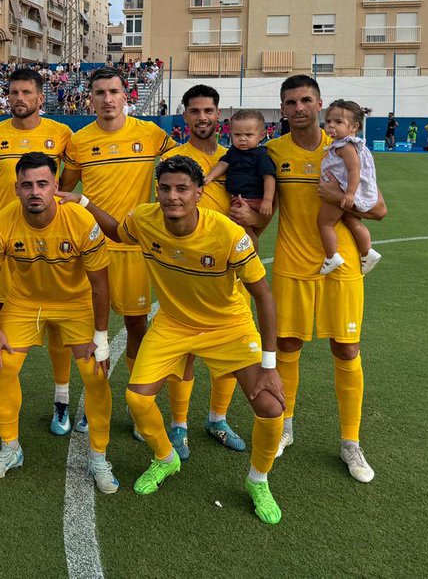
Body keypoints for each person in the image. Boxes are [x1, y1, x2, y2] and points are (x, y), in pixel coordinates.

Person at [77, 157, 286, 522]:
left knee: (270, 406)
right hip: (174, 324)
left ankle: (258, 480)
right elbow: (116, 232)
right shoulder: (144, 219)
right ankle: (165, 458)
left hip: (228, 326)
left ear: (199, 193)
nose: (172, 197)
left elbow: (264, 297)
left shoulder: (227, 234)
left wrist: (270, 366)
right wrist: (83, 203)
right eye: (166, 188)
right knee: (137, 399)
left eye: (182, 189)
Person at [254, 76, 387, 484]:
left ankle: (350, 442)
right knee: (288, 345)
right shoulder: (272, 153)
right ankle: (285, 428)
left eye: (306, 100)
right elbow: (267, 209)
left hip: (341, 266)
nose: (298, 108)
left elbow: (378, 209)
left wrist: (339, 199)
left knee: (346, 349)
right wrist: (247, 229)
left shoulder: (348, 149)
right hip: (293, 265)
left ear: (320, 104)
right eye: (290, 101)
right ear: (282, 109)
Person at [0, 153, 118, 493]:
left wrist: (101, 337)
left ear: (56, 186)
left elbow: (100, 284)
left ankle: (99, 457)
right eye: (27, 185)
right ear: (16, 189)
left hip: (75, 303)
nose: (35, 192)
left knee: (95, 374)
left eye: (43, 184)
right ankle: (10, 449)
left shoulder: (81, 222)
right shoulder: (2, 222)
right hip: (24, 303)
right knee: (4, 365)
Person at [60, 67, 176, 432]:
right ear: (89, 98)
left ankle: (137, 405)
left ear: (127, 95)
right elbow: (65, 191)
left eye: (114, 91)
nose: (107, 99)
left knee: (136, 327)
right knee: (86, 331)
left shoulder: (152, 134)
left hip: (133, 249)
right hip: (90, 249)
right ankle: (94, 400)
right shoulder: (79, 141)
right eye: (100, 92)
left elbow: (187, 166)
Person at [0, 68, 75, 433]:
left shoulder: (61, 133)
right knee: (0, 321)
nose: (19, 98)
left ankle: (61, 401)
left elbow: (65, 181)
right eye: (14, 92)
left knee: (58, 327)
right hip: (6, 241)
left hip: (49, 239)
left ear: (40, 97)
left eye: (27, 92)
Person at [161, 85, 249, 454]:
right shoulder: (173, 157)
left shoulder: (237, 158)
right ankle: (179, 424)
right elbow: (164, 210)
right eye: (194, 111)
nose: (202, 117)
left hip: (229, 265)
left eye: (208, 111)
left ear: (219, 116)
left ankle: (217, 418)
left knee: (226, 346)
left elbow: (259, 210)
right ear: (185, 116)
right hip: (184, 268)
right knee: (184, 348)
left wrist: (252, 215)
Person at [317, 101, 382, 276]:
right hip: (344, 190)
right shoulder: (341, 144)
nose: (331, 125)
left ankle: (331, 256)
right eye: (328, 121)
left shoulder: (345, 146)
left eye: (338, 122)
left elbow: (355, 169)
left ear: (354, 127)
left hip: (340, 192)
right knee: (352, 221)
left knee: (324, 223)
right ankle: (367, 252)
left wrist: (350, 193)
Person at [202, 109, 276, 245]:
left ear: (261, 135)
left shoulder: (261, 156)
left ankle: (251, 256)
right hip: (238, 197)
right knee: (237, 230)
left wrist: (267, 201)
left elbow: (269, 178)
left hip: (252, 199)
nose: (242, 139)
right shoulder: (233, 152)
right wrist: (210, 176)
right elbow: (223, 163)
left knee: (243, 229)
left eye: (248, 135)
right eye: (237, 135)